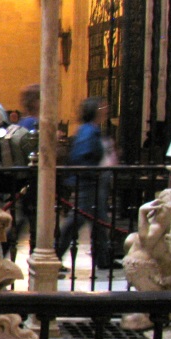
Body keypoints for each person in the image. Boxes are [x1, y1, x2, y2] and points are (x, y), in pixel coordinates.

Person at [57, 96, 115, 270]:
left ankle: (103, 259)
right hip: (89, 181)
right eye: (102, 107)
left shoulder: (92, 130)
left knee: (99, 219)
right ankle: (55, 255)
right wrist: (93, 172)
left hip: (94, 180)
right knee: (77, 219)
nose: (106, 109)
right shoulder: (88, 131)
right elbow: (80, 156)